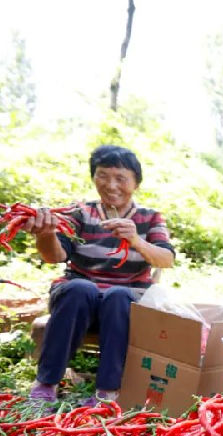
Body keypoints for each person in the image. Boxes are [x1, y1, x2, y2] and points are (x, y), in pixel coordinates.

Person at [26, 145, 175, 405]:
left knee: (118, 295)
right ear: (94, 177)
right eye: (103, 176)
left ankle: (108, 391)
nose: (111, 185)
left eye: (121, 178)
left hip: (124, 307)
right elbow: (55, 256)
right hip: (76, 304)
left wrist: (136, 241)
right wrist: (46, 235)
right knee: (79, 288)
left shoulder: (149, 218)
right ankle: (45, 384)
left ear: (136, 183)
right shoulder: (80, 213)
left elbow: (166, 259)